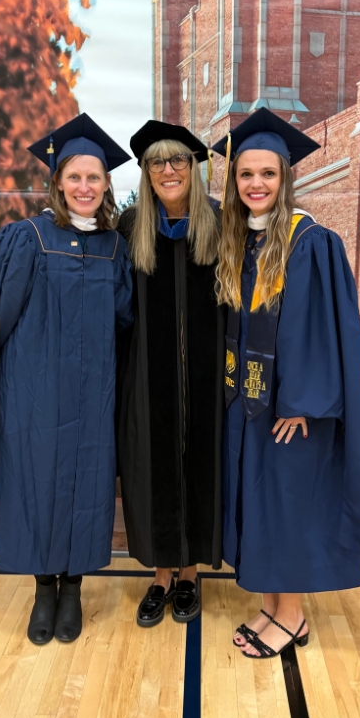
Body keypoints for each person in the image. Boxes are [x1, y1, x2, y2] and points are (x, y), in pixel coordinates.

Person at [0, 114, 134, 646]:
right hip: (34, 395)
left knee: (87, 486)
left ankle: (73, 589)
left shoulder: (114, 248)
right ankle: (43, 589)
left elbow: (125, 320)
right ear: (57, 181)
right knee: (36, 484)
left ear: (106, 184)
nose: (84, 186)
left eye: (94, 177)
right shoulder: (26, 238)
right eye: (74, 177)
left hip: (94, 396)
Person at [213, 107, 360, 659]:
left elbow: (321, 329)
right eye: (246, 174)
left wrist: (301, 403)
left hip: (290, 409)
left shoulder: (309, 241)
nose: (256, 184)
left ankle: (292, 617)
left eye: (268, 173)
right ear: (234, 181)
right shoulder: (243, 241)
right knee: (261, 504)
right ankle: (272, 604)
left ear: (285, 177)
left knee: (287, 506)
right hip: (249, 403)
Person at [117, 121, 224, 627]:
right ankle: (161, 576)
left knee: (199, 467)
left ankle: (189, 575)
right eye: (156, 162)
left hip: (206, 376)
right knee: (153, 468)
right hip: (147, 376)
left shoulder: (219, 223)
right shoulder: (130, 227)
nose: (167, 169)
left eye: (177, 159)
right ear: (146, 172)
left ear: (193, 166)